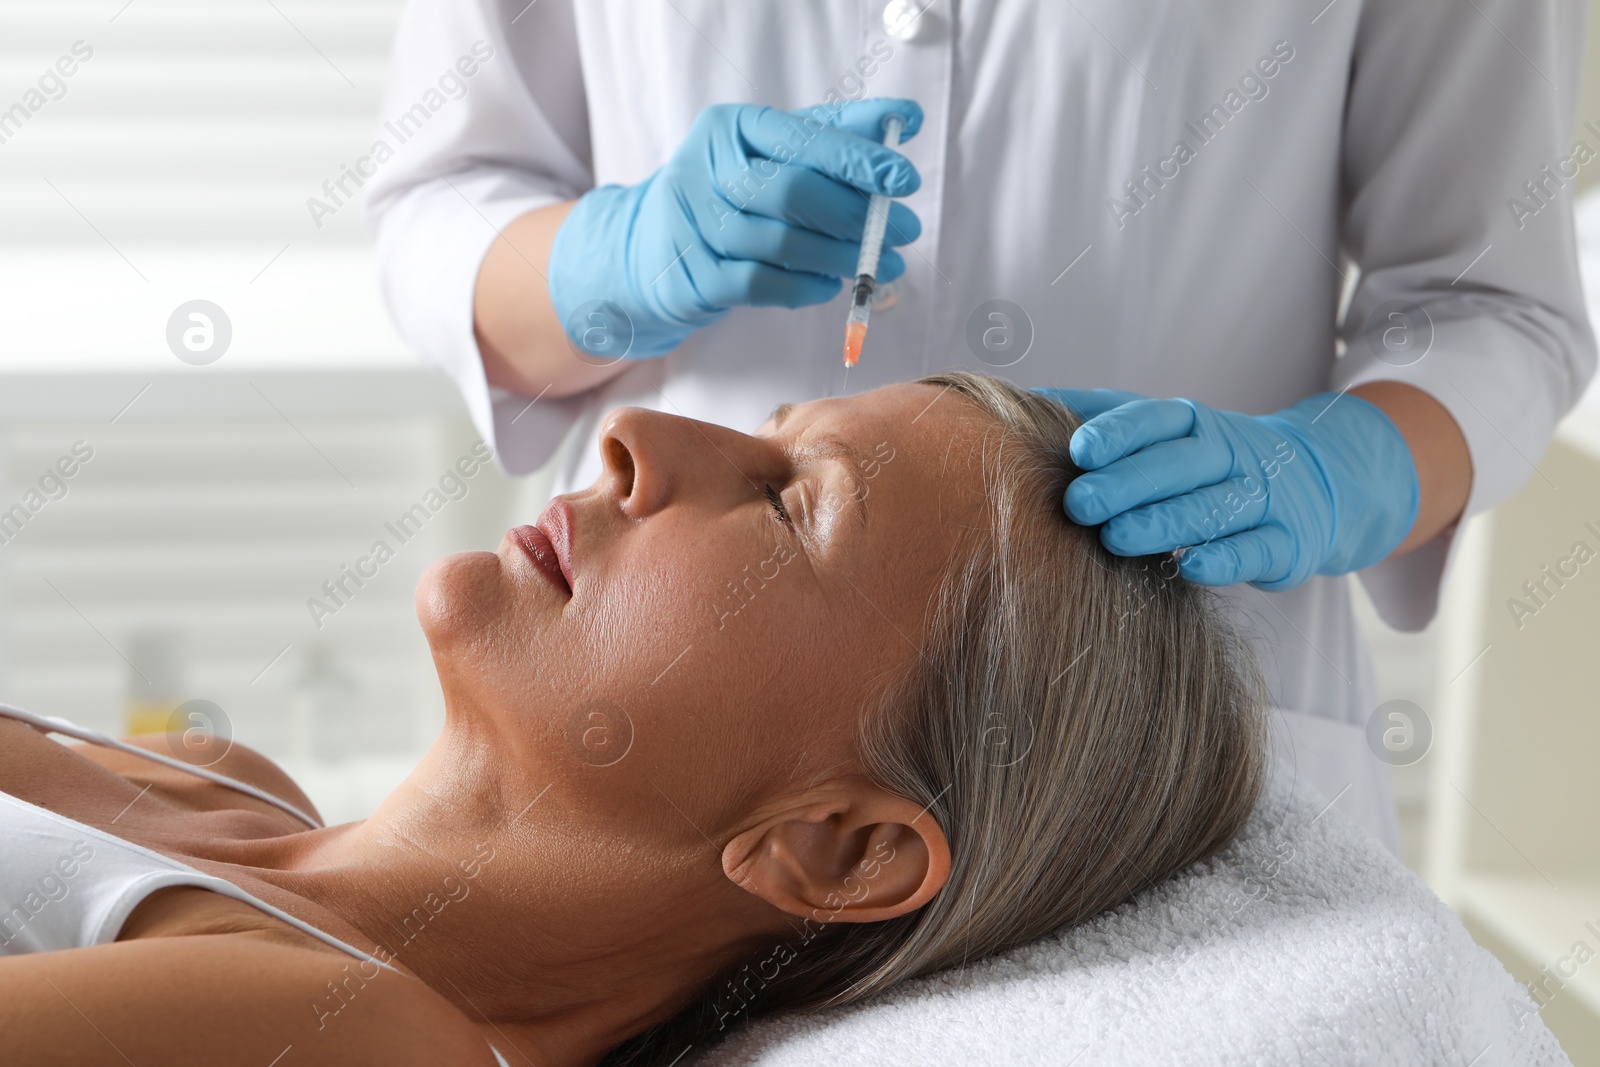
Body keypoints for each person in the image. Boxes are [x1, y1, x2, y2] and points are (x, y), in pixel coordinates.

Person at [363, 1, 1596, 852]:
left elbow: (1494, 307)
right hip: (668, 701)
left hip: (1187, 709)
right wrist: (612, 259)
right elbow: (440, 205)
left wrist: (1339, 472)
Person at [0, 374, 1265, 1066]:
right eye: (758, 431)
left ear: (835, 843)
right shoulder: (219, 779)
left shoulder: (359, 1041)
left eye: (784, 504)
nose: (635, 435)